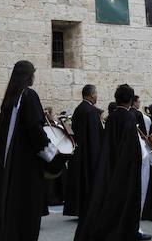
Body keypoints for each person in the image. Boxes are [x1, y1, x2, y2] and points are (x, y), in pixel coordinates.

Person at [0, 60, 57, 241]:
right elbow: (35, 129)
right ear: (28, 76)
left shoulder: (10, 98)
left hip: (9, 164)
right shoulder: (29, 95)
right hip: (26, 164)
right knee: (26, 208)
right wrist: (52, 154)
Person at [75, 84, 151, 241]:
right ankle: (129, 231)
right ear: (130, 100)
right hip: (126, 168)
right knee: (128, 201)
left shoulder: (113, 117)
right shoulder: (129, 117)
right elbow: (131, 147)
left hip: (111, 165)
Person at [64, 85, 102, 218]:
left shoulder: (79, 109)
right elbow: (94, 136)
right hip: (89, 153)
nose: (97, 96)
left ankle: (80, 210)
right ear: (91, 95)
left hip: (80, 153)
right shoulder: (91, 111)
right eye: (96, 93)